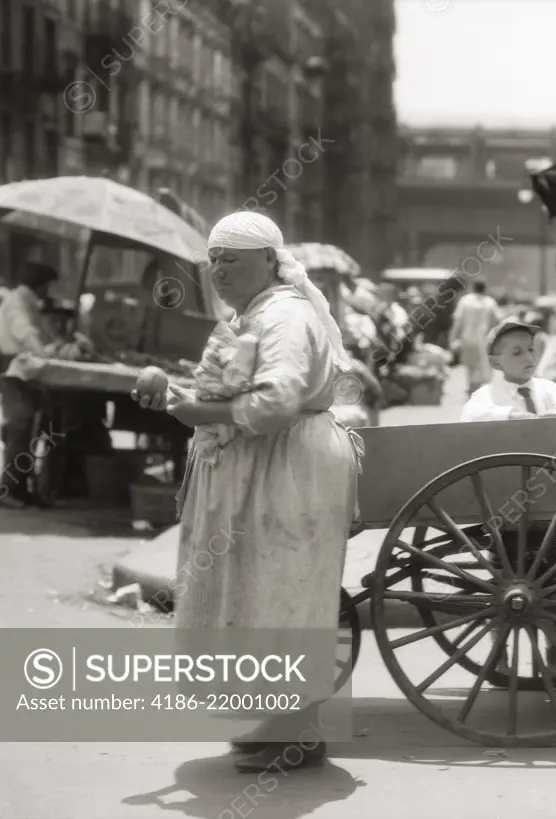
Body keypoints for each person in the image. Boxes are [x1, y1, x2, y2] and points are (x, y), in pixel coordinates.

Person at [133, 211, 363, 773]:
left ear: (269, 261)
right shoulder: (252, 314)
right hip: (262, 469)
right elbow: (237, 390)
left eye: (231, 259)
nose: (218, 270)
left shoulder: (284, 316)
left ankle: (300, 732)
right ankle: (277, 719)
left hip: (289, 471)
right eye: (213, 260)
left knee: (283, 591)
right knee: (256, 591)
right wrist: (180, 397)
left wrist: (197, 409)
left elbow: (275, 402)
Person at [461, 317, 556, 680]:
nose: (527, 357)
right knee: (506, 583)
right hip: (507, 512)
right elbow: (470, 417)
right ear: (497, 361)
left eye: (531, 350)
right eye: (516, 352)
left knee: (552, 581)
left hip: (551, 510)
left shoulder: (549, 390)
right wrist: (514, 416)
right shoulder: (488, 396)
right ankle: (499, 654)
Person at [0, 262, 61, 507]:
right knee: (20, 425)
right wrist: (45, 353)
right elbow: (25, 332)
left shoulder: (28, 302)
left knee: (30, 430)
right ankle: (8, 489)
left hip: (25, 372)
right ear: (40, 284)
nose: (48, 291)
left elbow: (38, 334)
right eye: (47, 285)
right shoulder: (17, 301)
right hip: (14, 371)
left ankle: (22, 486)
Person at [450, 281, 501, 395]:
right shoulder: (490, 302)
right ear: (485, 289)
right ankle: (476, 389)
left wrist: (452, 337)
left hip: (467, 339)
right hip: (484, 339)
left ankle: (472, 388)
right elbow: (498, 319)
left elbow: (458, 321)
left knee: (469, 365)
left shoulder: (465, 301)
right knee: (480, 365)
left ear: (473, 288)